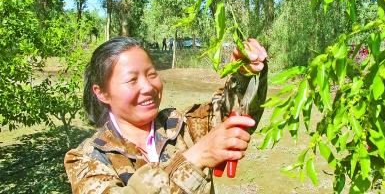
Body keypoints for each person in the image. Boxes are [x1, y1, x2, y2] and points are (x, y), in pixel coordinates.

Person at [64, 36, 268, 193]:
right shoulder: (87, 159)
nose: (148, 87)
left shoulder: (180, 125)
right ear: (102, 93)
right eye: (132, 80)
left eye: (151, 74)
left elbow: (229, 115)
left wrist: (244, 73)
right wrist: (195, 159)